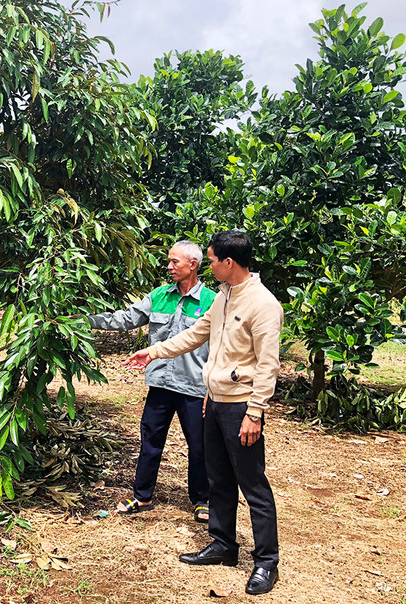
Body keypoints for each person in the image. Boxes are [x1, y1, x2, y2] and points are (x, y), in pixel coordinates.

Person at [124, 231, 283, 596]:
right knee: (219, 479)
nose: (209, 267)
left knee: (252, 483)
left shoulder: (262, 304)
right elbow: (197, 334)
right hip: (213, 401)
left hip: (242, 406)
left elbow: (268, 365)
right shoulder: (224, 297)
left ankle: (266, 562)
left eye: (211, 260)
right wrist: (154, 352)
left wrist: (255, 413)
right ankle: (224, 544)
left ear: (229, 262)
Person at [88, 240, 215, 523]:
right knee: (150, 440)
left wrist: (213, 388)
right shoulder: (159, 295)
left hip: (194, 387)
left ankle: (201, 499)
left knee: (199, 446)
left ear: (193, 264)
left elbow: (221, 348)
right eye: (169, 262)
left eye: (175, 262)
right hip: (160, 384)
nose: (169, 267)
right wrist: (84, 320)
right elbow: (124, 318)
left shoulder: (212, 302)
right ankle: (142, 495)